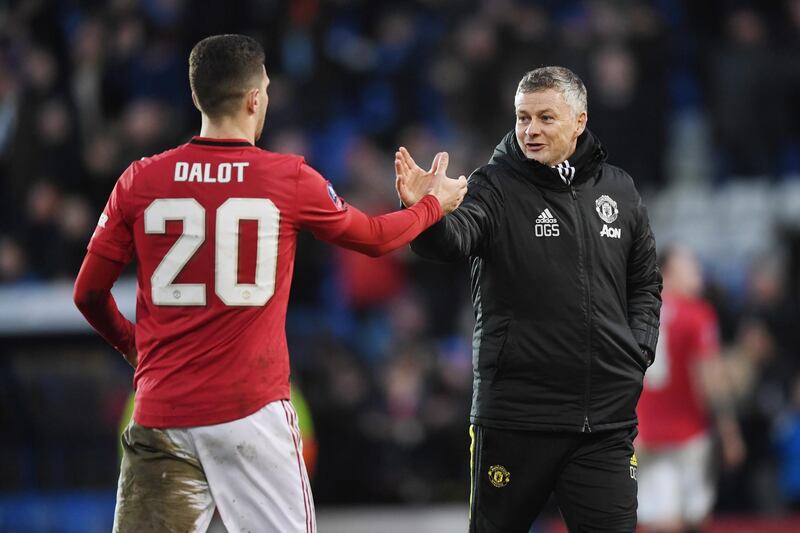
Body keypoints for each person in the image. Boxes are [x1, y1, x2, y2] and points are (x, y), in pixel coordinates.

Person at [72, 34, 466, 533]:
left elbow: (87, 293)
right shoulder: (286, 178)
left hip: (161, 412)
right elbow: (373, 238)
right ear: (256, 99)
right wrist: (431, 205)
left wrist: (134, 346)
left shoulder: (139, 179)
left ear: (197, 97)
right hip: (250, 413)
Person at [395, 66, 662, 532]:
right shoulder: (493, 186)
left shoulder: (619, 190)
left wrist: (636, 352)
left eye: (545, 118)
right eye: (522, 118)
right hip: (517, 419)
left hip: (603, 423)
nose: (530, 130)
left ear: (579, 121)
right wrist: (426, 213)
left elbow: (644, 283)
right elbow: (452, 242)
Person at [636, 246, 745, 532]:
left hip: (645, 433)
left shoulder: (635, 310)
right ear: (668, 273)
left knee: (661, 518)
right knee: (690, 520)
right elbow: (709, 380)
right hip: (688, 435)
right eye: (691, 267)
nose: (698, 274)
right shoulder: (697, 314)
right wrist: (729, 432)